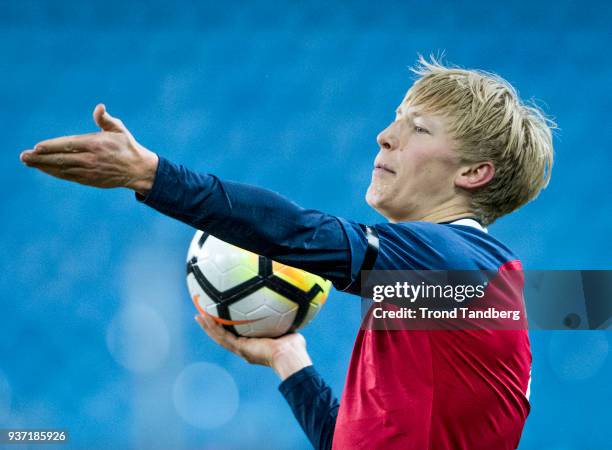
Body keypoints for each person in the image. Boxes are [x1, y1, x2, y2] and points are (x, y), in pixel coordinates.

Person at [20, 57, 554, 449]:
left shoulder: (462, 271)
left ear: (472, 174)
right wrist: (289, 361)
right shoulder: (449, 289)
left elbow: (297, 233)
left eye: (417, 128)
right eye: (395, 118)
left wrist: (152, 175)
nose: (384, 136)